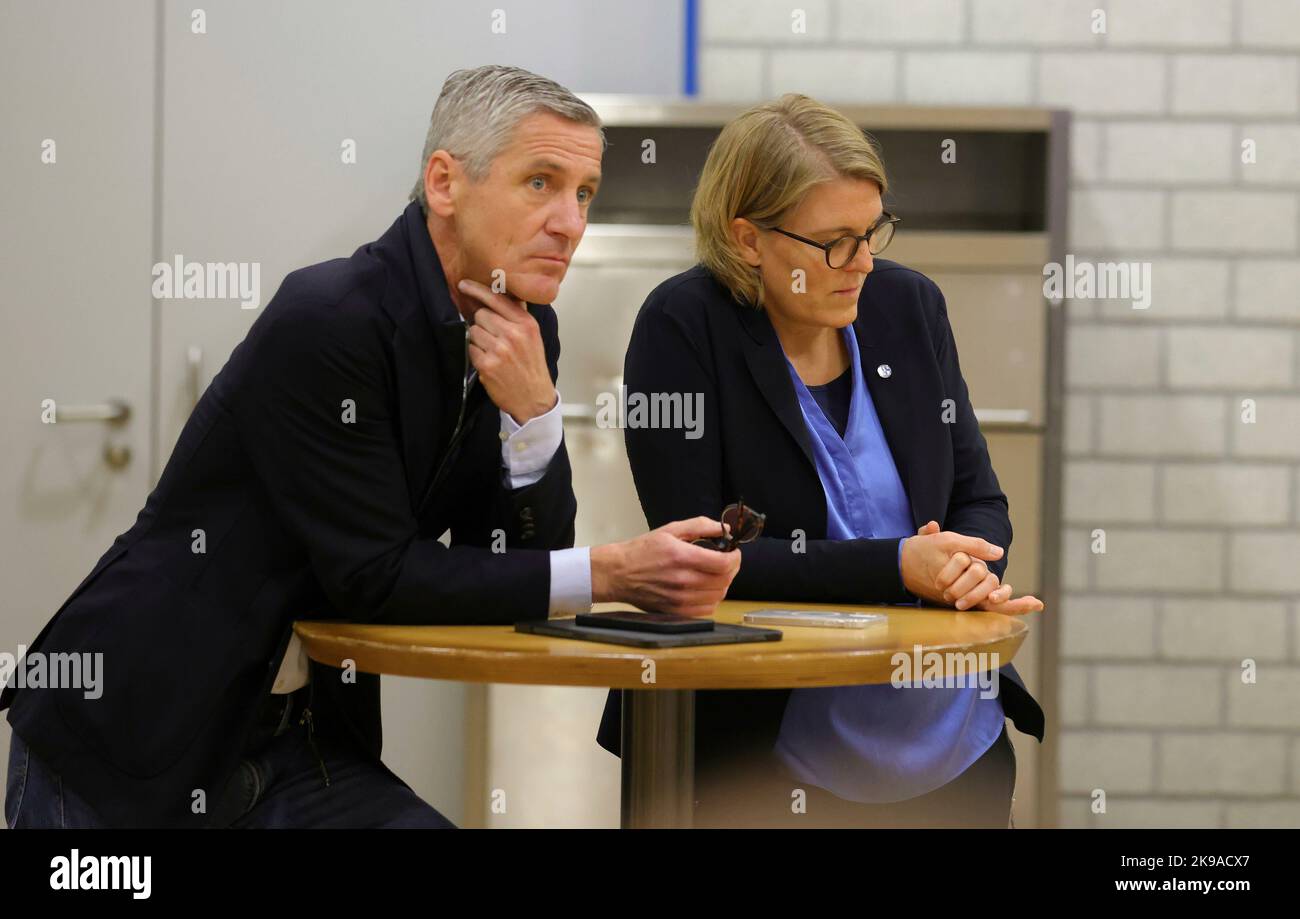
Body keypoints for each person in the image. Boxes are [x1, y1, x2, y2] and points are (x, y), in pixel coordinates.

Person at [3, 65, 739, 830]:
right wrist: (614, 570)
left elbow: (525, 560)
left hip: (299, 743)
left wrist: (537, 414)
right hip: (135, 738)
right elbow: (375, 576)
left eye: (584, 192)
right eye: (541, 182)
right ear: (445, 183)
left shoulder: (522, 330)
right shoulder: (329, 318)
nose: (570, 221)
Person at [596, 94, 1045, 828]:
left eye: (872, 233)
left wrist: (971, 570)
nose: (863, 262)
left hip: (959, 750)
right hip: (764, 764)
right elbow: (700, 555)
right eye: (835, 241)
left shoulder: (909, 306)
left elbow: (977, 496)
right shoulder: (683, 326)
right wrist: (898, 566)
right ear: (747, 238)